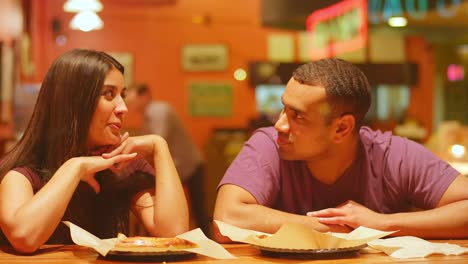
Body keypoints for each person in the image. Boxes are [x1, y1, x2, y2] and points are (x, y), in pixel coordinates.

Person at [213, 58, 468, 241]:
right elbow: (226, 219)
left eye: (297, 116)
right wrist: (337, 228)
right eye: (283, 108)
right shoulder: (269, 145)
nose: (279, 124)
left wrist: (382, 223)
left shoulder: (392, 155)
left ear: (342, 129)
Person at [0, 49, 188, 253]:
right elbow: (25, 237)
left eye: (122, 95)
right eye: (109, 94)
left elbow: (174, 233)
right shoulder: (22, 171)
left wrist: (160, 147)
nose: (123, 107)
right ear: (74, 102)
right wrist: (75, 167)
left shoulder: (121, 163)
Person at [124, 84, 207, 233]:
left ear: (144, 96)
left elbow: (158, 139)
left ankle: (207, 246)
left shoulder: (158, 110)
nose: (128, 103)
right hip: (180, 165)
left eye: (131, 97)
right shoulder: (149, 114)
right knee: (187, 209)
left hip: (188, 164)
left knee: (198, 211)